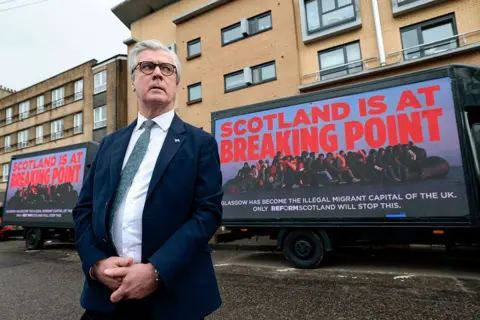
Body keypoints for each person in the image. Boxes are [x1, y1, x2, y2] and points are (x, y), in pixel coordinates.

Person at [73, 40, 223, 320]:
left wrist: (157, 270)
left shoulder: (200, 143)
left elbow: (208, 213)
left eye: (166, 69)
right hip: (106, 298)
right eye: (147, 66)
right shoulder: (108, 144)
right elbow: (84, 210)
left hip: (174, 297)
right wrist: (95, 264)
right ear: (133, 81)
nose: (157, 73)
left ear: (176, 84)